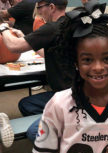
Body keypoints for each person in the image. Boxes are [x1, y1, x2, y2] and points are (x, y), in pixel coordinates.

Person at [29, 1, 108, 153]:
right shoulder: (59, 105)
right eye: (87, 60)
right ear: (76, 62)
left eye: (107, 59)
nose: (98, 67)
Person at [0, 0, 73, 142]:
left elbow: (14, 46)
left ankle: (62, 127)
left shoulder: (52, 27)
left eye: (40, 8)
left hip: (67, 96)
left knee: (33, 132)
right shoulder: (68, 24)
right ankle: (57, 120)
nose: (39, 12)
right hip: (66, 91)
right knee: (26, 104)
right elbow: (49, 52)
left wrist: (4, 29)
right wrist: (26, 38)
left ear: (51, 7)